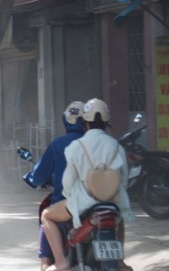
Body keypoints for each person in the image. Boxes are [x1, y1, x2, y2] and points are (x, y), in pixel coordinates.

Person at [40, 98, 134, 271]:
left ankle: (60, 261)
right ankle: (119, 261)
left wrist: (71, 197)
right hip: (112, 203)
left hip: (83, 203)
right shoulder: (117, 146)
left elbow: (68, 182)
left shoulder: (77, 146)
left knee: (46, 215)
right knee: (118, 219)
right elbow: (124, 180)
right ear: (106, 122)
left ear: (85, 123)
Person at [23, 101, 85, 271]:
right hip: (98, 201)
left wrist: (30, 177)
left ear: (66, 121)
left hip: (68, 204)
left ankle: (54, 263)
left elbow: (39, 176)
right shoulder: (96, 142)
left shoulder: (59, 144)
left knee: (46, 215)